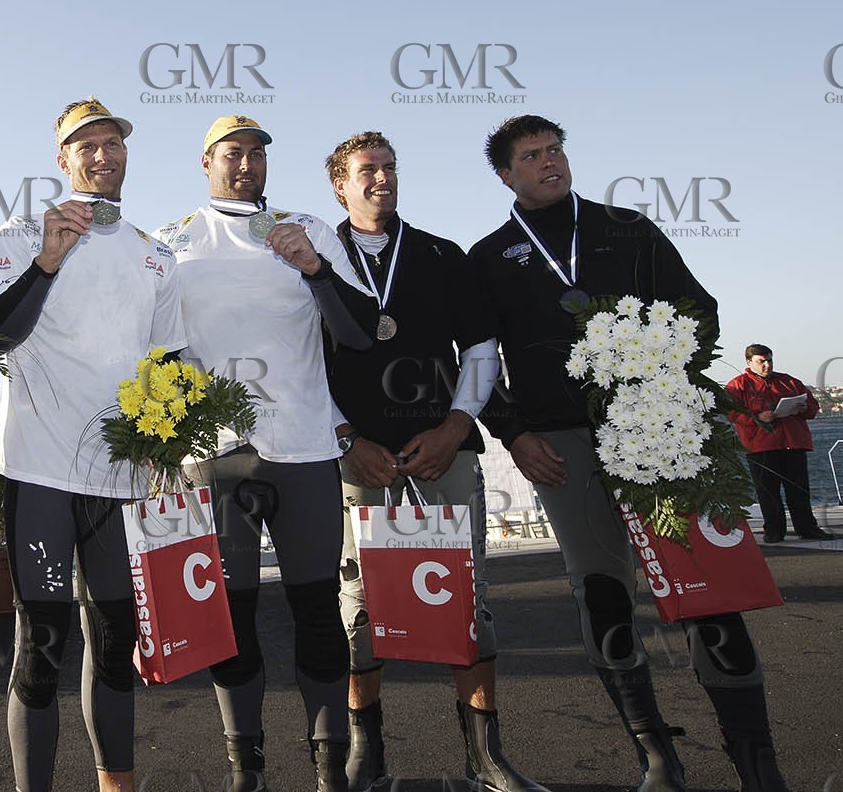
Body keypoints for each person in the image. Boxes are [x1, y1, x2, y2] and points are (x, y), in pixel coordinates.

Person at [467, 115, 789, 792]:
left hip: (659, 431)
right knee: (604, 595)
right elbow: (476, 363)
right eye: (532, 155)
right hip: (561, 446)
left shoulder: (628, 228)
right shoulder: (489, 257)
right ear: (506, 174)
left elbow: (698, 309)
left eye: (556, 150)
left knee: (709, 597)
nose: (550, 162)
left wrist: (657, 362)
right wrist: (515, 434)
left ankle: (758, 766)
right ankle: (657, 759)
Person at [155, 115, 378, 792]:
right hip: (213, 457)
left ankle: (328, 766)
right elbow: (155, 354)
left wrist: (313, 269)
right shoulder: (171, 241)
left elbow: (362, 332)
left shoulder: (308, 226)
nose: (246, 165)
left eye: (257, 154)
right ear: (206, 162)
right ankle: (245, 769)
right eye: (233, 154)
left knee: (316, 608)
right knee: (230, 615)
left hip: (304, 449)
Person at [321, 131, 544, 792]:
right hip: (357, 460)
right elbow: (302, 367)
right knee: (357, 603)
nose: (382, 178)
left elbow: (479, 352)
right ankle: (368, 750)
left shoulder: (443, 256)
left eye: (390, 167)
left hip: (439, 454)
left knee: (466, 600)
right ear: (341, 184)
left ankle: (486, 754)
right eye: (368, 170)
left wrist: (455, 424)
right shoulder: (315, 261)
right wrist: (345, 440)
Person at [0, 98, 184, 792]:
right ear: (61, 160)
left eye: (112, 142)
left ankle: (114, 783)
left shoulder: (156, 253)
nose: (103, 155)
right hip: (40, 471)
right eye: (86, 145)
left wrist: (171, 436)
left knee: (116, 643)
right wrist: (46, 262)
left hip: (119, 478)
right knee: (41, 648)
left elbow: (170, 361)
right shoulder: (20, 232)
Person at [725, 345, 833, 542]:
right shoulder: (737, 386)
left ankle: (807, 528)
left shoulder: (789, 381)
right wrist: (758, 417)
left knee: (799, 490)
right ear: (749, 362)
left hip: (793, 444)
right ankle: (774, 531)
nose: (767, 365)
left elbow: (813, 407)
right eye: (761, 361)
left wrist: (803, 408)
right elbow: (731, 412)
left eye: (769, 360)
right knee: (768, 493)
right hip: (760, 447)